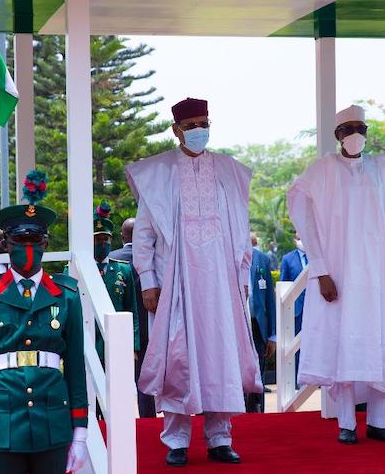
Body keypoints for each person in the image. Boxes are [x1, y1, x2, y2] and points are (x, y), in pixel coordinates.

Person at [127, 97, 261, 466]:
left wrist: (243, 278)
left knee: (221, 357)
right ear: (176, 129)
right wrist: (148, 280)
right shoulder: (158, 174)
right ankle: (176, 441)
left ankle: (220, 438)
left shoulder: (229, 171)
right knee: (177, 358)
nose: (198, 130)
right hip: (177, 282)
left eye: (204, 123)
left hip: (221, 285)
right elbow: (144, 235)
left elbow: (242, 233)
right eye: (190, 125)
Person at [287, 104, 385, 445]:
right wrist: (320, 271)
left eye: (361, 128)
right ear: (337, 136)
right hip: (339, 274)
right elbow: (305, 222)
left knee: (381, 342)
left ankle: (379, 421)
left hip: (378, 275)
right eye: (348, 129)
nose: (356, 135)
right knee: (343, 344)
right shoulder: (320, 172)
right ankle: (346, 423)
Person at [0, 171, 88, 474]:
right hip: (3, 421)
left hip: (52, 420)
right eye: (19, 239)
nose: (27, 246)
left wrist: (80, 433)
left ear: (45, 243)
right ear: (5, 243)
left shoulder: (66, 294)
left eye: (35, 239)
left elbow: (75, 367)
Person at [109, 217, 156, 418]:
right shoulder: (153, 259)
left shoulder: (112, 259)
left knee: (116, 376)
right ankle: (148, 417)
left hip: (118, 327)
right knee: (145, 374)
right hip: (150, 324)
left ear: (122, 236)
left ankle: (119, 417)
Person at [90, 203, 139, 362]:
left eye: (106, 239)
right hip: (88, 342)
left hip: (118, 342)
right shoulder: (77, 270)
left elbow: (132, 309)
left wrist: (133, 347)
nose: (102, 243)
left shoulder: (122, 270)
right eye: (98, 239)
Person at [245, 233, 276, 413]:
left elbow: (270, 300)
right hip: (234, 326)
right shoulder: (226, 255)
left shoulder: (262, 259)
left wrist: (272, 335)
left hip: (257, 325)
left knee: (259, 372)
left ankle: (257, 414)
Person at [280, 234, 307, 334]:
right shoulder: (287, 259)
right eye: (299, 238)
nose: (302, 241)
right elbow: (284, 284)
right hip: (296, 309)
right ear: (295, 240)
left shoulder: (317, 258)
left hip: (315, 306)